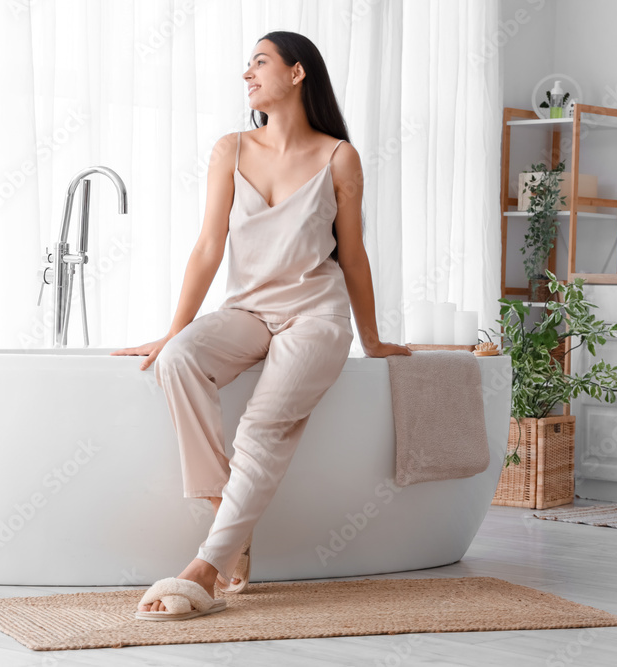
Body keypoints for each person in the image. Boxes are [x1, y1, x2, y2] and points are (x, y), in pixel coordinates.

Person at [112, 30, 410, 621]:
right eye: (247, 65)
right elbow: (206, 248)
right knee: (178, 361)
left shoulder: (338, 157)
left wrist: (372, 339)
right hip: (247, 310)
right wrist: (177, 328)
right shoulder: (231, 149)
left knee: (261, 429)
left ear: (297, 74)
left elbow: (352, 256)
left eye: (259, 62)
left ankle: (204, 564)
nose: (246, 74)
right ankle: (232, 514)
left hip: (315, 317)